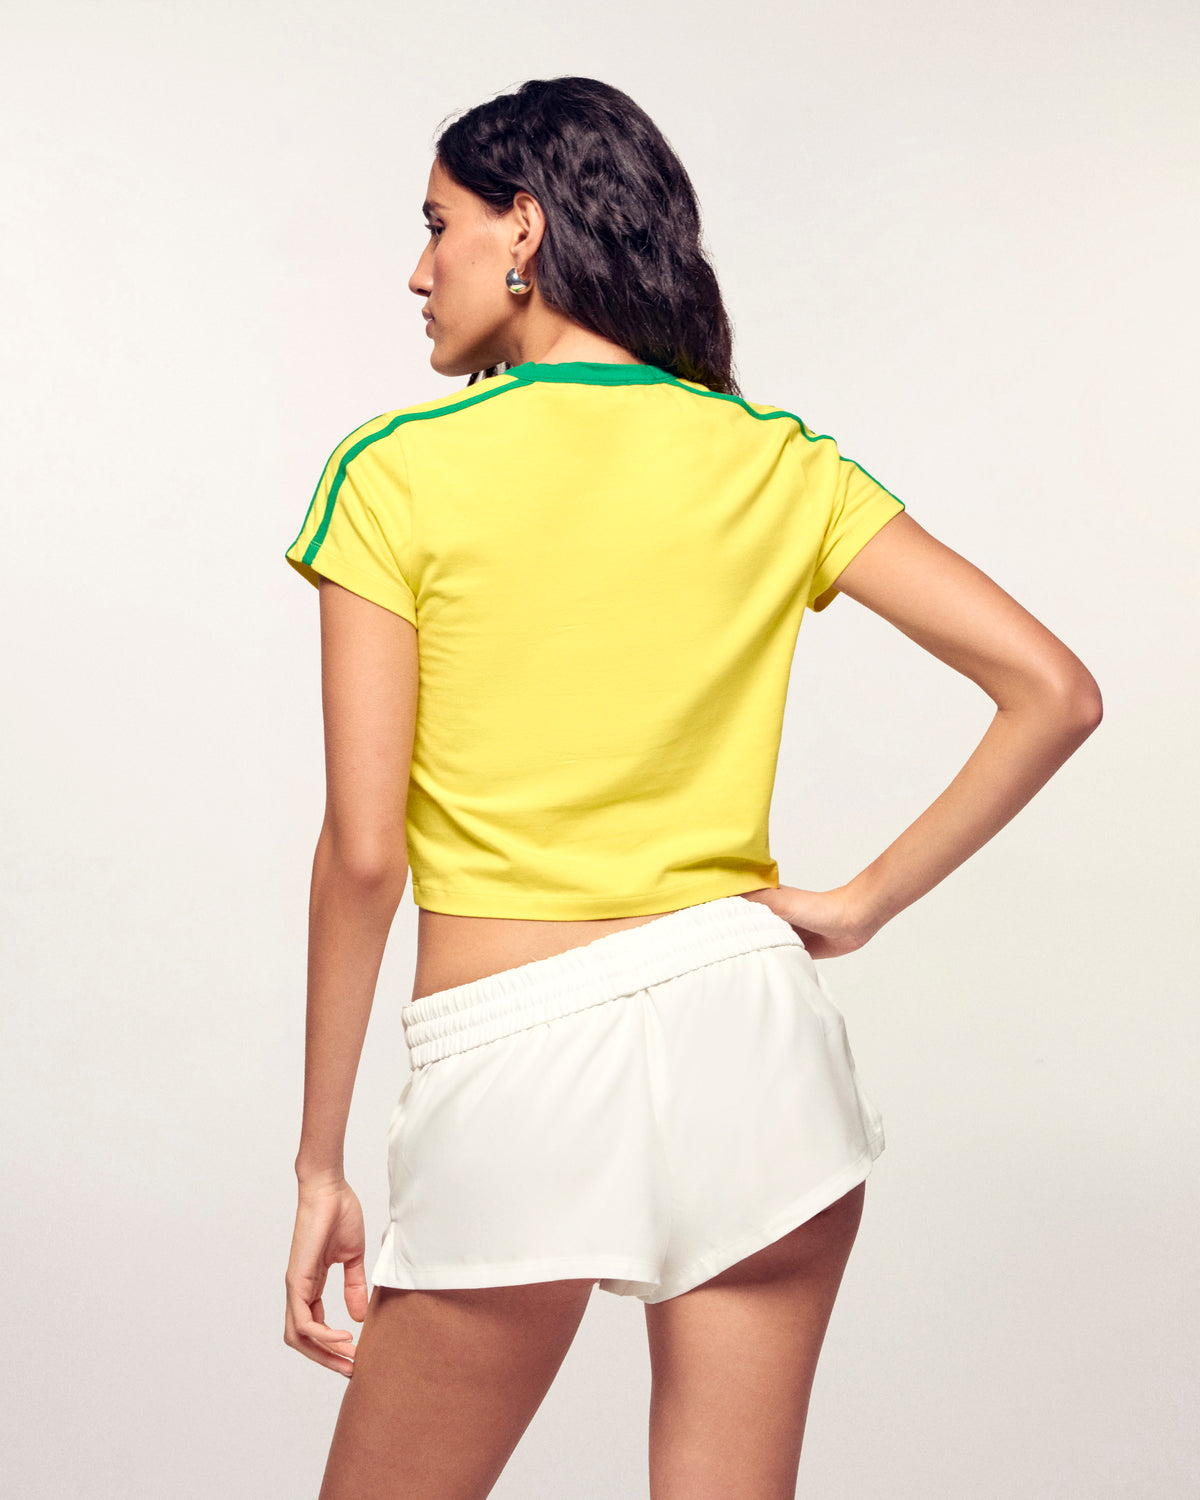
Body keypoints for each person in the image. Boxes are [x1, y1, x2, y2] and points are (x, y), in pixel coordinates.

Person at [281, 76, 1102, 1500]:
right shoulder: (773, 459)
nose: (419, 271)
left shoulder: (395, 473)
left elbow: (365, 855)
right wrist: (862, 904)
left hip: (518, 1059)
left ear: (522, 228)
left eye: (437, 225)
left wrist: (317, 1164)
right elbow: (1056, 690)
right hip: (750, 1038)